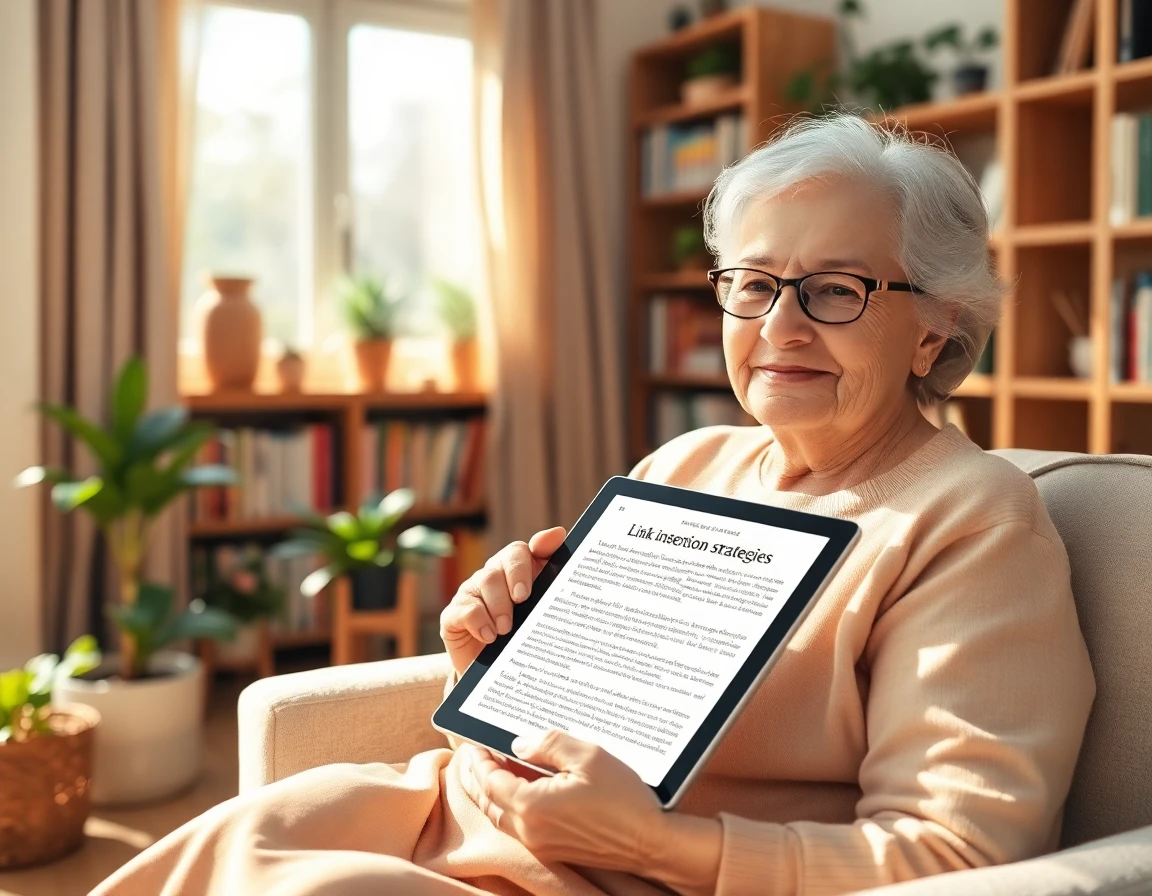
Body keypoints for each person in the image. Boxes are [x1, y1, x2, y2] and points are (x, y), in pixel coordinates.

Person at [94, 115, 1094, 896]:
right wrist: (491, 664)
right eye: (752, 284)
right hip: (459, 815)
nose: (780, 326)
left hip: (623, 880)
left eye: (835, 289)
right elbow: (569, 726)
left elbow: (957, 853)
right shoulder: (690, 461)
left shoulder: (970, 521)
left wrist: (658, 844)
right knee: (255, 833)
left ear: (935, 328)